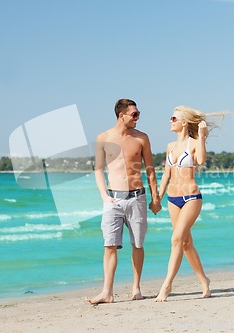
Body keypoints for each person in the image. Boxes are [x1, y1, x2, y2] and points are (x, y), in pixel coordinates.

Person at [87, 98, 162, 305]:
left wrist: (155, 198)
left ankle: (136, 288)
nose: (138, 118)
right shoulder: (103, 137)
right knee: (109, 245)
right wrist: (104, 196)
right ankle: (107, 292)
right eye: (134, 114)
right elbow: (98, 170)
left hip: (137, 197)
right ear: (122, 115)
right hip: (113, 199)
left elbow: (150, 170)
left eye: (138, 114)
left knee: (137, 245)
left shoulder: (142, 138)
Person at [155, 105, 226, 302]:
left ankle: (166, 285)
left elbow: (201, 160)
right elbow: (166, 174)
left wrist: (202, 136)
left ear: (184, 122)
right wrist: (157, 199)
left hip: (191, 198)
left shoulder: (194, 143)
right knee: (185, 244)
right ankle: (204, 280)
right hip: (172, 199)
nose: (171, 121)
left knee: (176, 240)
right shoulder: (170, 146)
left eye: (174, 118)